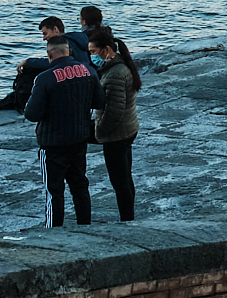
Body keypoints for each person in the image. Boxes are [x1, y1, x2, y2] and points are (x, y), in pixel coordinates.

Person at [24, 35, 100, 227]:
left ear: (50, 55)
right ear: (69, 51)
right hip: (79, 137)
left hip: (52, 143)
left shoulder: (44, 78)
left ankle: (54, 231)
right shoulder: (88, 71)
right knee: (80, 186)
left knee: (54, 191)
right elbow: (100, 102)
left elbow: (32, 114)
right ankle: (85, 225)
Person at [86, 25, 140, 222]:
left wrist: (100, 133)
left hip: (117, 134)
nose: (91, 56)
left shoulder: (116, 73)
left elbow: (114, 112)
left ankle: (127, 219)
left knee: (120, 181)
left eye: (93, 52)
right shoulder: (118, 67)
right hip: (127, 128)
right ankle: (129, 217)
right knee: (125, 178)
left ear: (106, 50)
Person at [4, 16, 87, 111]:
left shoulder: (65, 43)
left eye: (45, 33)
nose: (44, 38)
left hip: (70, 85)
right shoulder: (79, 41)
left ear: (55, 29)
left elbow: (57, 63)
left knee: (32, 70)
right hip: (81, 83)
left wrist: (28, 62)